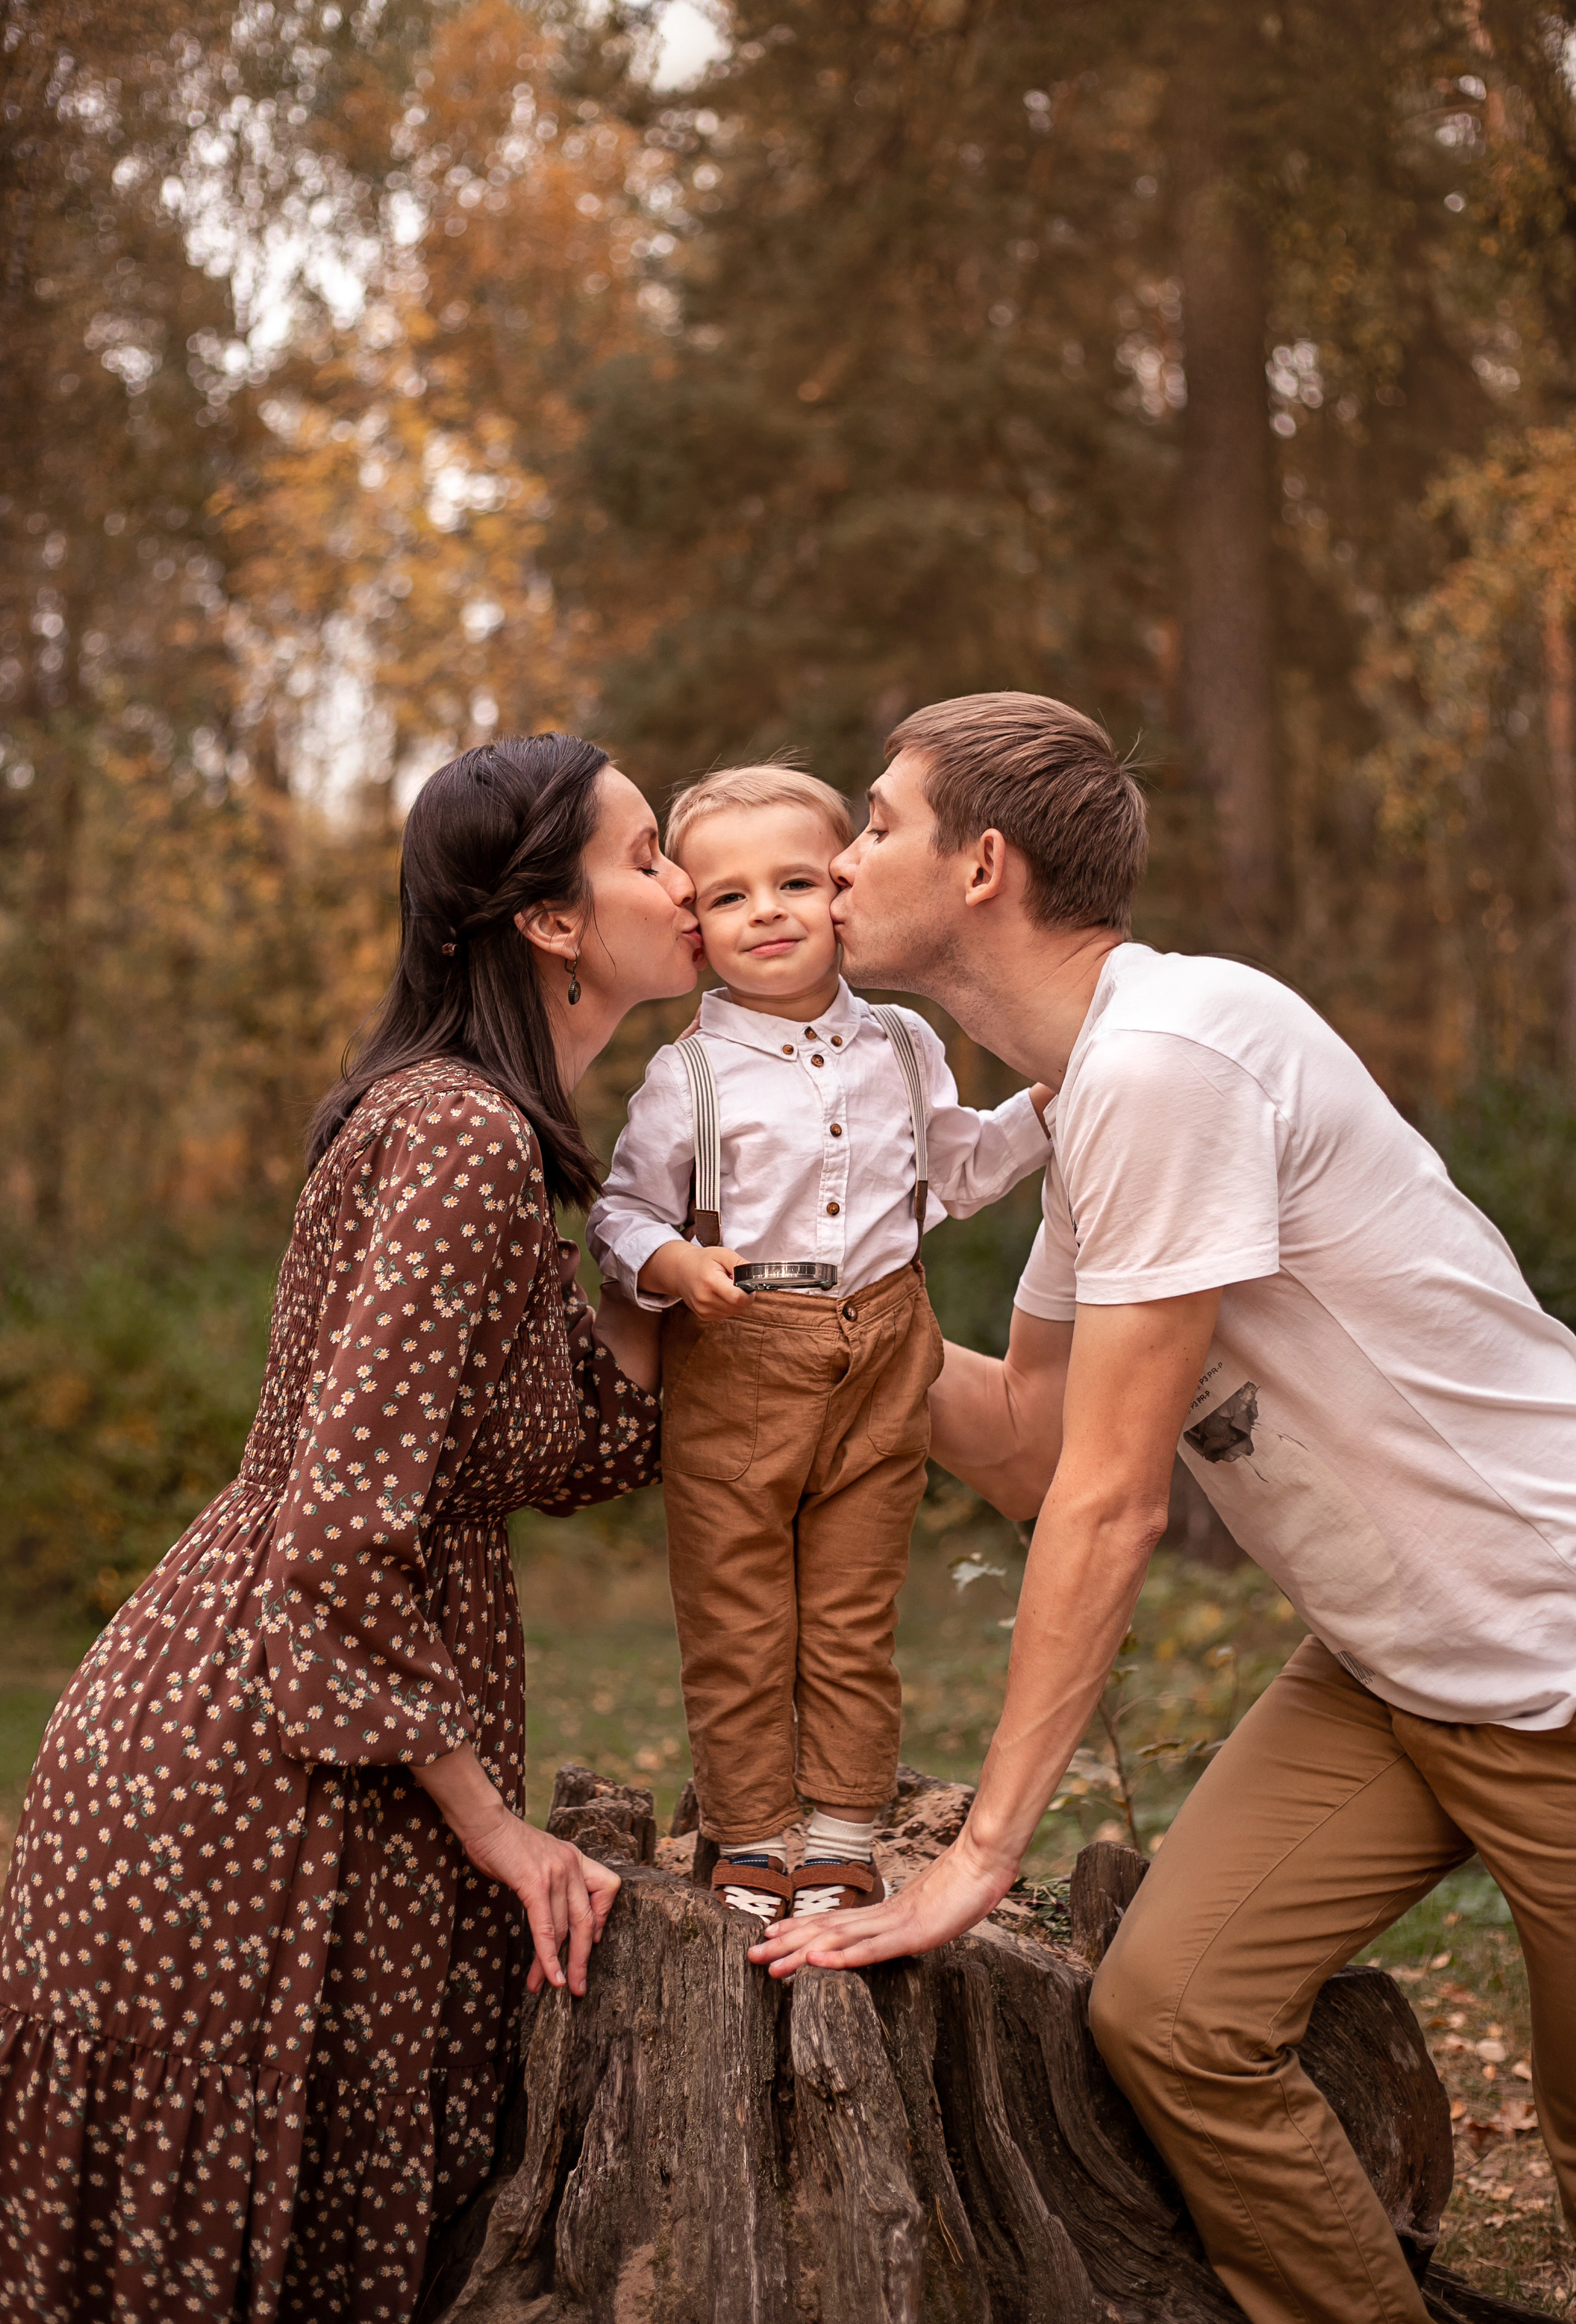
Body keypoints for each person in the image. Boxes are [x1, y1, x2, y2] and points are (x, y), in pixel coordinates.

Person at [750, 692, 1576, 2324]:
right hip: (1398, 1668)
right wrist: (786, 1310)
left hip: (1552, 1648)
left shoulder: (1168, 1062)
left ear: (982, 867)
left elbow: (1114, 1505)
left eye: (875, 827)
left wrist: (982, 1859)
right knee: (1178, 2018)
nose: (834, 868)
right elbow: (1031, 1436)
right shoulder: (1094, 1098)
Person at [0, 733, 702, 2324]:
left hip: (305, 1712)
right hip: (255, 1772)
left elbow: (585, 1438)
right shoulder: (458, 1137)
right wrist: (496, 1826)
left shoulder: (498, 1140)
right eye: (650, 852)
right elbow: (335, 1535)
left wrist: (668, 1219)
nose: (690, 885)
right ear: (551, 920)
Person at [585, 764, 1051, 1926]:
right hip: (741, 1351)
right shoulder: (685, 1072)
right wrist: (673, 1265)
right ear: (696, 922)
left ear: (843, 889)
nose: (771, 912)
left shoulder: (902, 1043)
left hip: (888, 1342)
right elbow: (621, 1212)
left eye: (797, 880)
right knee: (739, 1612)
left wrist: (1054, 1102)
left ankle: (842, 1834)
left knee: (851, 1610)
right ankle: (750, 1835)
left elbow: (961, 1170)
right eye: (732, 896)